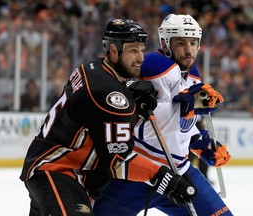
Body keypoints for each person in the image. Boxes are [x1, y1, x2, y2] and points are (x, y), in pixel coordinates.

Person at [19, 18, 198, 216]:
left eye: (141, 50)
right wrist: (165, 178)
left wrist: (129, 90)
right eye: (133, 51)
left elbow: (96, 109)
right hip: (56, 169)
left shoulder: (92, 68)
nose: (141, 58)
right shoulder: (111, 96)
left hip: (58, 168)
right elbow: (118, 161)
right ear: (113, 50)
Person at [93, 14, 232, 216]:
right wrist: (186, 109)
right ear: (165, 43)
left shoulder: (193, 74)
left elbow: (179, 125)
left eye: (193, 43)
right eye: (181, 43)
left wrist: (198, 142)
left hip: (180, 172)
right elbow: (140, 125)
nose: (189, 50)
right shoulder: (152, 66)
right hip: (136, 173)